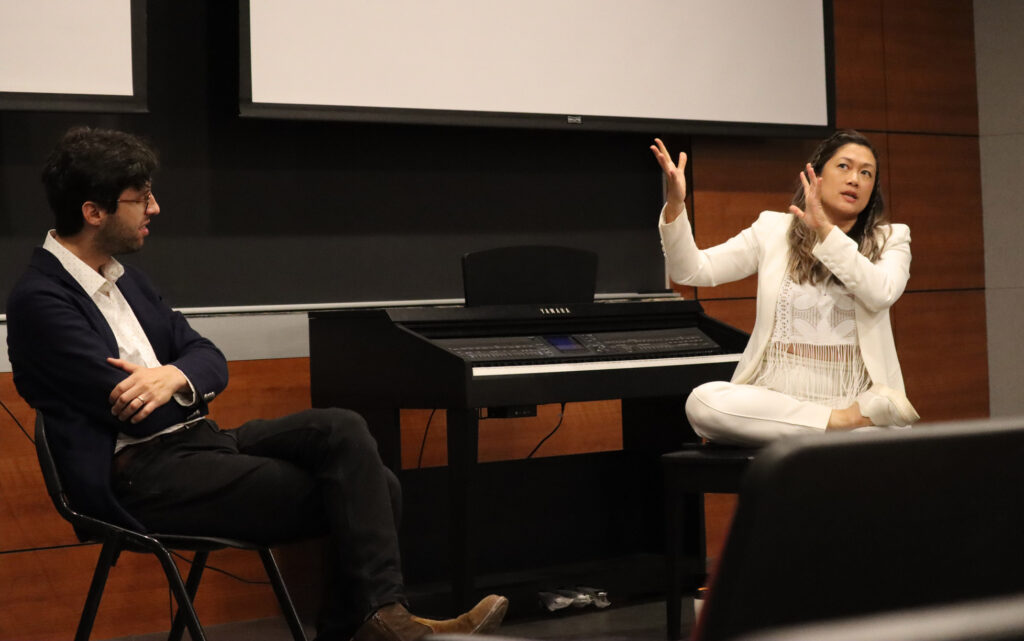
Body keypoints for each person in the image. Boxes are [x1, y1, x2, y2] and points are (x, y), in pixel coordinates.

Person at [5, 126, 508, 641]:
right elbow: (138, 412)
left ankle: (379, 623)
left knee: (340, 428)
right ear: (94, 211)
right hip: (139, 477)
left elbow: (209, 357)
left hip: (199, 445)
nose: (154, 208)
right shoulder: (41, 302)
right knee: (374, 487)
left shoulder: (127, 280)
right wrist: (182, 388)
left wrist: (175, 376)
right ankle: (374, 627)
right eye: (142, 198)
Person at [650, 130, 920, 447]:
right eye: (844, 167)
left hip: (858, 395)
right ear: (816, 174)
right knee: (703, 403)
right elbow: (692, 270)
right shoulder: (773, 230)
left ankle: (812, 427)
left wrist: (826, 232)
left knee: (872, 445)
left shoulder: (891, 238)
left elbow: (881, 292)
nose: (855, 179)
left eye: (866, 173)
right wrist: (676, 206)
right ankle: (837, 423)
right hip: (778, 392)